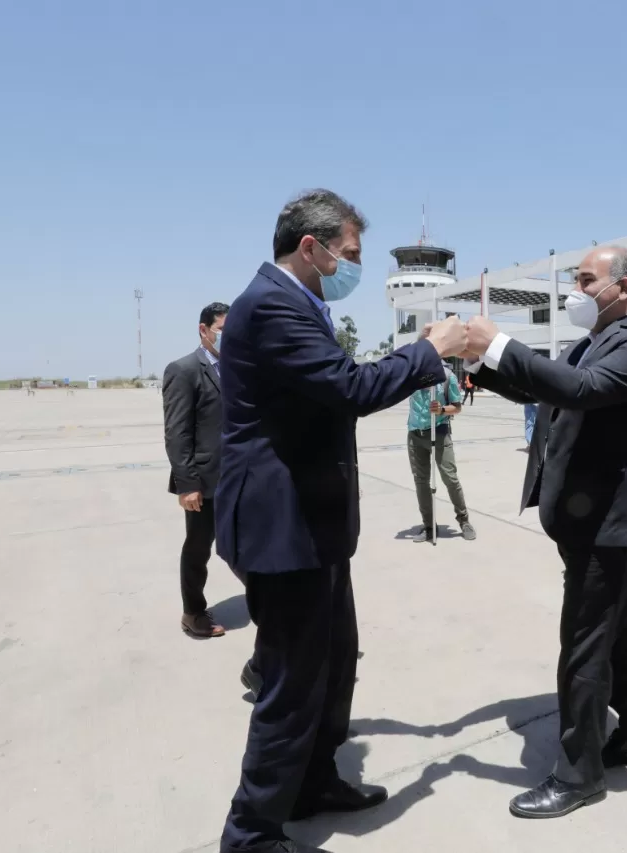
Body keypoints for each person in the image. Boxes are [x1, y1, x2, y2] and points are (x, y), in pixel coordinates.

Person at [214, 189, 467, 853]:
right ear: (311, 247)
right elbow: (349, 389)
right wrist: (428, 350)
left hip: (313, 524)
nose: (350, 266)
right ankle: (251, 833)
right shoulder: (270, 304)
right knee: (292, 684)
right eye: (348, 254)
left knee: (335, 660)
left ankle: (312, 779)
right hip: (283, 528)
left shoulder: (301, 302)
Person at [461, 246, 627, 819]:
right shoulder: (596, 340)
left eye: (587, 280)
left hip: (616, 522)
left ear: (624, 287)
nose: (578, 291)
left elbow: (581, 391)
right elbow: (549, 388)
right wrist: (479, 361)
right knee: (615, 630)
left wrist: (499, 342)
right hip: (592, 520)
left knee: (583, 648)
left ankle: (578, 775)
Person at [162, 301, 230, 639]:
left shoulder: (237, 367)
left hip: (236, 476)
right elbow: (177, 432)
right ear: (204, 330)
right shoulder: (184, 369)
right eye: (222, 330)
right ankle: (193, 612)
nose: (227, 338)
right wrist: (187, 484)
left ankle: (269, 601)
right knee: (199, 547)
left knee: (244, 542)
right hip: (204, 481)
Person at [406, 364, 476, 542]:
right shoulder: (411, 374)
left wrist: (441, 410)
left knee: (449, 477)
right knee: (421, 481)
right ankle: (429, 525)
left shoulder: (446, 376)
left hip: (439, 430)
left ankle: (464, 520)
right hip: (415, 432)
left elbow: (457, 407)